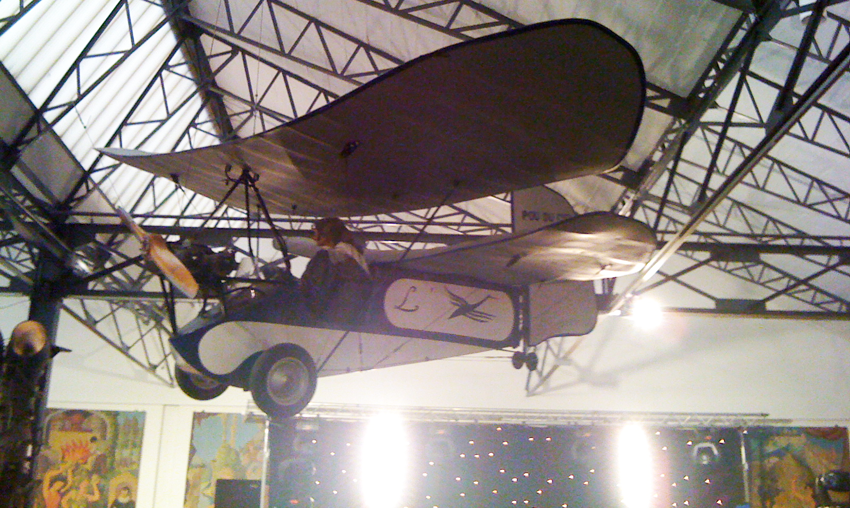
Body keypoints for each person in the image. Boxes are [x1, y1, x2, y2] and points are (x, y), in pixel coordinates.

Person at [300, 218, 371, 321]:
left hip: (332, 313)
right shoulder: (351, 251)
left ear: (325, 235)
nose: (314, 238)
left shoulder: (329, 256)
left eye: (315, 233)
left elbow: (315, 286)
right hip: (350, 311)